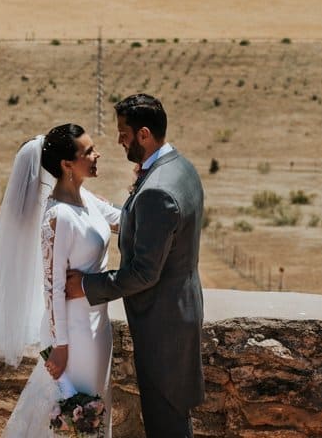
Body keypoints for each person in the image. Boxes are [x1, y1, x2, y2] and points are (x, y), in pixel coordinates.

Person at [66, 93, 204, 438]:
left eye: (123, 133)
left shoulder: (157, 190)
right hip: (180, 310)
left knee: (166, 421)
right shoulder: (179, 168)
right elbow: (155, 230)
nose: (119, 140)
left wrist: (85, 285)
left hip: (163, 326)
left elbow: (143, 272)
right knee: (173, 416)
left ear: (144, 134)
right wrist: (108, 211)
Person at [0, 124, 121, 437]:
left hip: (98, 328)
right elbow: (53, 287)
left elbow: (123, 221)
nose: (97, 155)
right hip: (75, 337)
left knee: (93, 414)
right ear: (67, 164)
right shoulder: (58, 215)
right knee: (80, 418)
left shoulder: (88, 200)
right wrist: (61, 347)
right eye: (89, 151)